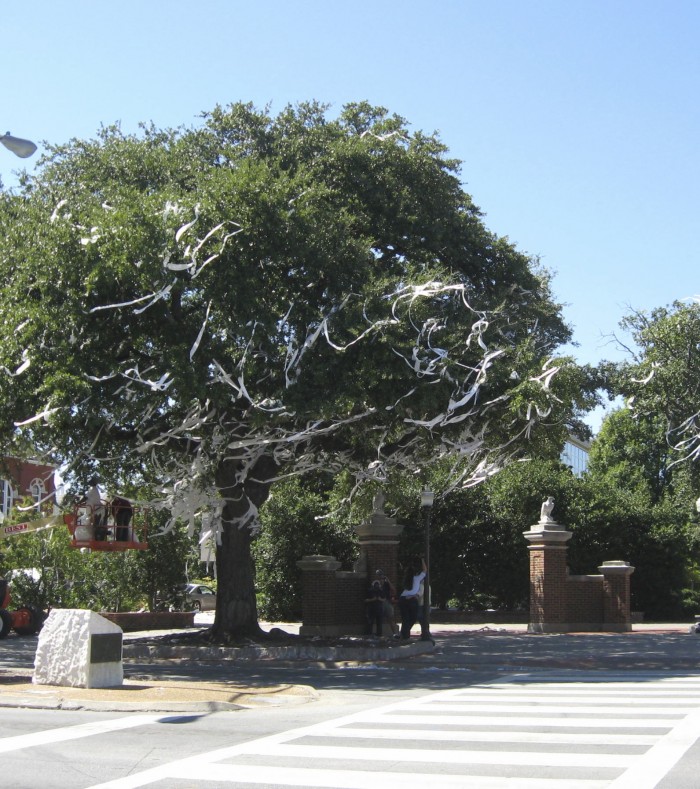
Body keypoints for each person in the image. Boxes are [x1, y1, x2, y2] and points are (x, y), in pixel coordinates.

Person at [398, 556, 427, 640]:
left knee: (405, 618)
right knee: (413, 618)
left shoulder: (406, 580)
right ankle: (405, 634)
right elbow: (425, 570)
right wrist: (422, 560)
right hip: (411, 599)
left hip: (403, 599)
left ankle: (404, 635)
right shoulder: (417, 579)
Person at [376, 569, 399, 637]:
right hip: (379, 602)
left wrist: (388, 581)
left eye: (382, 578)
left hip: (387, 602)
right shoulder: (376, 584)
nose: (381, 579)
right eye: (380, 578)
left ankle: (395, 633)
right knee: (379, 618)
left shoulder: (386, 584)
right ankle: (379, 634)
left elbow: (394, 590)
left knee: (391, 618)